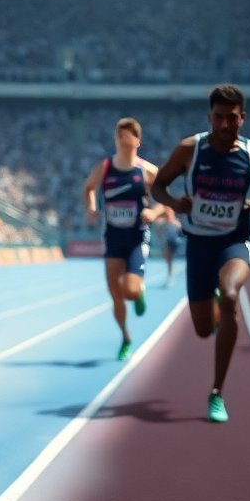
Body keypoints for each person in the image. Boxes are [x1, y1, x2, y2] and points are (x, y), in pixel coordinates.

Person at [152, 84, 250, 423]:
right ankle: (214, 302)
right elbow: (157, 185)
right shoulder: (190, 149)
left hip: (235, 241)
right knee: (202, 329)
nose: (225, 125)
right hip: (198, 244)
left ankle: (217, 392)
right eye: (219, 118)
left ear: (243, 118)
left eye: (232, 118)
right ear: (209, 117)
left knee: (230, 295)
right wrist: (174, 202)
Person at [83, 117, 163, 360]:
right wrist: (91, 208)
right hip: (113, 238)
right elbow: (89, 188)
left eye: (127, 135)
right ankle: (126, 337)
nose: (122, 139)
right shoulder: (105, 167)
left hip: (137, 238)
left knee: (129, 291)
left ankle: (138, 291)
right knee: (115, 293)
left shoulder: (147, 171)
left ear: (137, 140)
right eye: (118, 135)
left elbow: (165, 201)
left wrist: (154, 211)